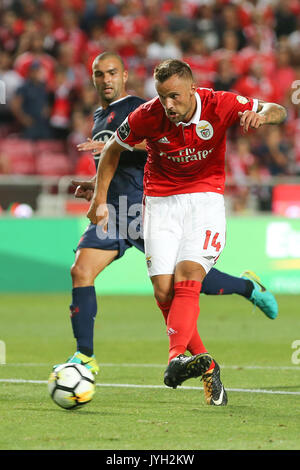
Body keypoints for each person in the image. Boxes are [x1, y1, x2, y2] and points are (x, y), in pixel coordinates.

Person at [86, 59, 286, 406]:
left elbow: (278, 109)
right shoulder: (147, 115)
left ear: (193, 88)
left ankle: (175, 357)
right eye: (163, 97)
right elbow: (112, 150)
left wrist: (263, 115)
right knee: (164, 291)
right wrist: (99, 198)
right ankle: (206, 367)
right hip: (160, 202)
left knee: (188, 276)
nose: (169, 105)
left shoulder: (221, 104)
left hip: (204, 200)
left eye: (175, 97)